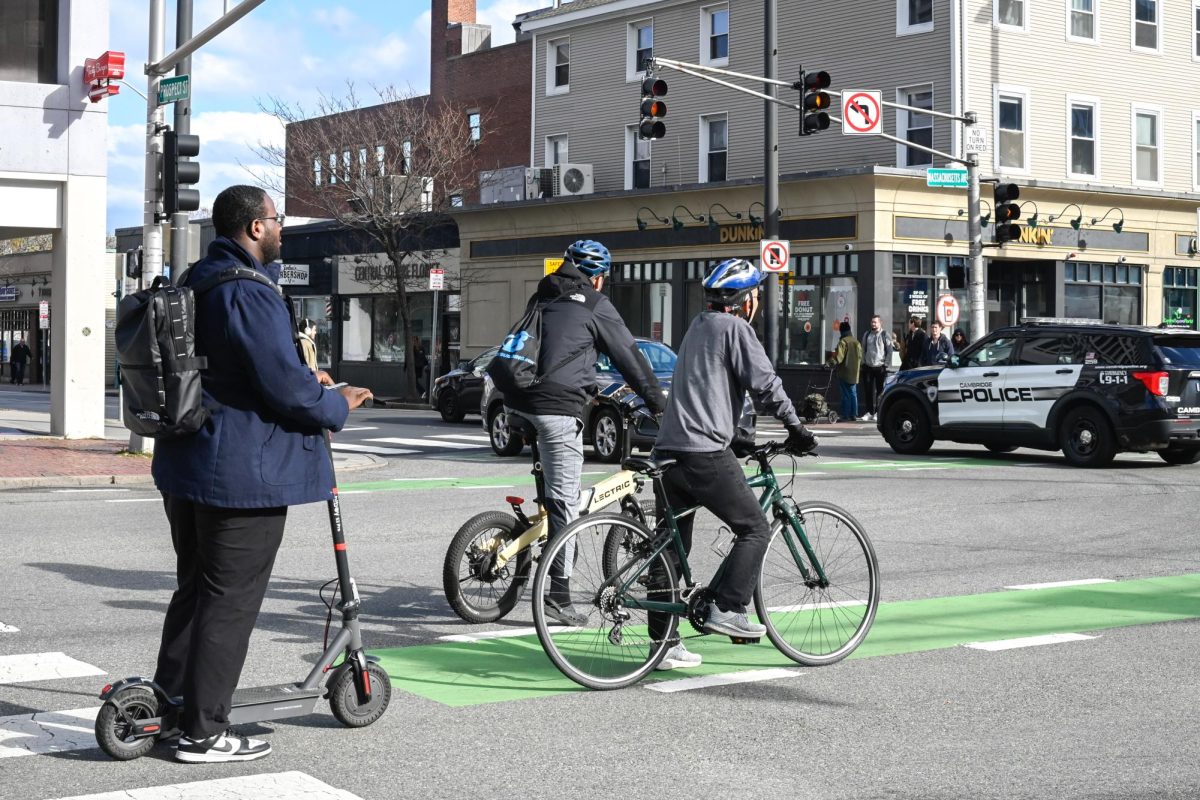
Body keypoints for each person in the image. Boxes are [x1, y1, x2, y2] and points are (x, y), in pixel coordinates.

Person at [151, 185, 373, 763]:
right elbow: (283, 389)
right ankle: (203, 733)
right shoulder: (249, 292)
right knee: (230, 602)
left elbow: (242, 371)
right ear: (254, 227)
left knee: (196, 592)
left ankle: (170, 707)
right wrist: (338, 403)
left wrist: (308, 383)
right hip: (239, 475)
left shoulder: (196, 279)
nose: (282, 231)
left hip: (188, 463)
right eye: (277, 221)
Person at [651, 258, 817, 669]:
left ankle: (663, 644)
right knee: (755, 529)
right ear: (746, 300)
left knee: (671, 549)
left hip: (669, 451)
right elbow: (766, 384)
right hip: (703, 453)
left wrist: (738, 437)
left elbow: (703, 391)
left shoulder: (697, 327)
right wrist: (796, 428)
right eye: (756, 293)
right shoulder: (736, 329)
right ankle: (728, 606)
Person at [502, 239, 667, 626]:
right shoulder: (595, 305)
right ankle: (558, 597)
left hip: (517, 402)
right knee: (566, 505)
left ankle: (534, 541)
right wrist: (658, 404)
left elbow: (551, 352)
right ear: (597, 277)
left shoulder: (542, 296)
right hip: (556, 408)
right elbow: (630, 357)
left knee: (551, 494)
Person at [859, 315, 893, 422]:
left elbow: (890, 350)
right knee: (868, 391)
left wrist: (885, 365)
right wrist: (863, 363)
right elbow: (863, 349)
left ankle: (878, 412)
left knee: (880, 392)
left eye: (875, 322)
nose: (873, 324)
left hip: (880, 367)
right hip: (868, 367)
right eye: (872, 322)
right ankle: (869, 412)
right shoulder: (867, 334)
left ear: (880, 323)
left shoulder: (885, 334)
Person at [829, 320, 863, 421]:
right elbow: (861, 358)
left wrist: (828, 363)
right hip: (855, 373)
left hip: (844, 372)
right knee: (853, 393)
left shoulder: (843, 342)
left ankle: (845, 414)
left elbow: (838, 358)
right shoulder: (856, 342)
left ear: (841, 331)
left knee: (845, 395)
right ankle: (854, 414)